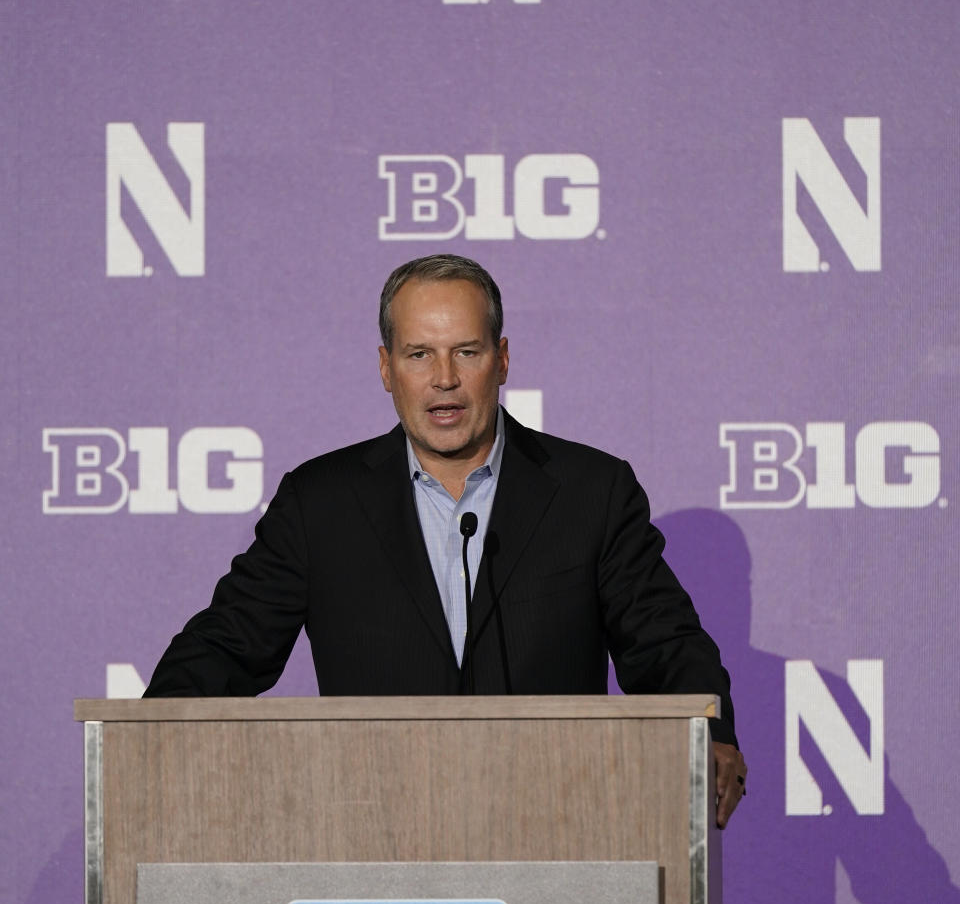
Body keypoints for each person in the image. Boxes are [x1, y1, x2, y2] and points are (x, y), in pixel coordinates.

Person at [145, 254, 747, 825]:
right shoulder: (319, 504)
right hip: (369, 832)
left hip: (557, 826)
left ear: (503, 359)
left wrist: (708, 732)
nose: (444, 379)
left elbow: (665, 645)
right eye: (418, 354)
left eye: (466, 351)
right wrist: (145, 742)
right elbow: (225, 647)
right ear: (386, 368)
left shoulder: (592, 492)